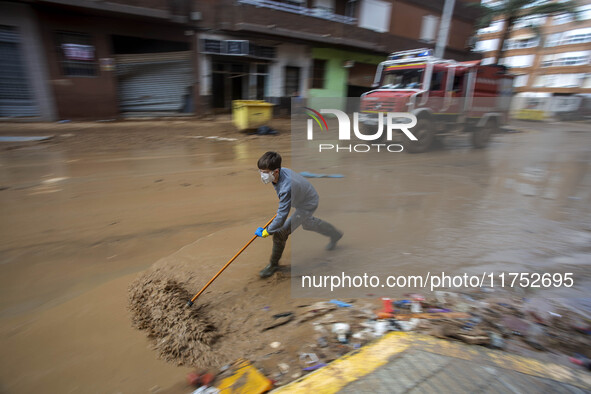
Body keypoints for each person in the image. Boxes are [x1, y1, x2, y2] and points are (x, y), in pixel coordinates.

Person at [255, 151, 343, 278]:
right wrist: (284, 206)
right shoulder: (280, 172)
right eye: (261, 171)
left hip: (307, 204)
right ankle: (336, 234)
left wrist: (267, 231)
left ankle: (273, 265)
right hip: (302, 196)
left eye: (265, 172)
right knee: (308, 224)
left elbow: (281, 217)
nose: (263, 175)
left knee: (280, 233)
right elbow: (284, 205)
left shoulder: (286, 188)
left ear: (276, 171)